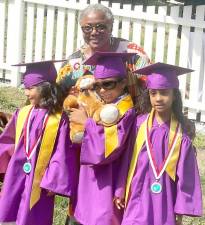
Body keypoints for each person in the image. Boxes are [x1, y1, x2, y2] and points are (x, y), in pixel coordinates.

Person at [120, 62, 203, 225]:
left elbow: (186, 175)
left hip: (164, 198)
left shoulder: (180, 135)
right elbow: (125, 161)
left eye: (164, 93)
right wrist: (120, 188)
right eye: (153, 93)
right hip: (137, 193)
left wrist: (180, 209)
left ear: (174, 96)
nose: (158, 98)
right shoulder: (138, 126)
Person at [0, 60, 78, 225]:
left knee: (34, 214)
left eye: (30, 88)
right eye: (25, 88)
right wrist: (5, 162)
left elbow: (61, 151)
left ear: (46, 89)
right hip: (16, 172)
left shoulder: (58, 118)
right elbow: (8, 140)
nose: (26, 93)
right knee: (10, 207)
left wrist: (53, 181)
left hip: (41, 179)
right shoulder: (22, 113)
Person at [68, 52, 137, 225]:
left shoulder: (125, 110)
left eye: (108, 84)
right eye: (97, 86)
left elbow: (107, 148)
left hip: (108, 181)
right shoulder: (103, 105)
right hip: (91, 179)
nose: (102, 90)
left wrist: (87, 123)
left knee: (103, 218)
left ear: (123, 83)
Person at [57, 3, 150, 105]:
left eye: (101, 27)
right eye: (87, 28)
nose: (94, 32)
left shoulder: (133, 56)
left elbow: (151, 89)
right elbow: (58, 94)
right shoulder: (74, 63)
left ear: (111, 28)